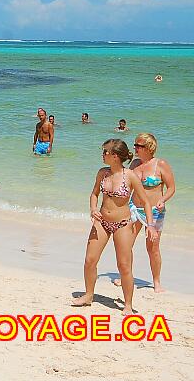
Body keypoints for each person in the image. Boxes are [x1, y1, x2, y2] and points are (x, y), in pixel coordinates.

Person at [72, 139, 158, 315]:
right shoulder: (102, 173)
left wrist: (150, 225)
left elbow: (147, 202)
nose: (102, 154)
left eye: (105, 152)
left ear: (115, 156)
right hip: (102, 221)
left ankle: (127, 304)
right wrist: (93, 209)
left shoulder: (130, 176)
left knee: (124, 265)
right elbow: (94, 194)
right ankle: (88, 295)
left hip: (123, 224)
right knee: (90, 260)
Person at [113, 134, 176, 292]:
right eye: (135, 145)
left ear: (149, 148)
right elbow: (126, 184)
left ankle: (156, 281)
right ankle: (126, 277)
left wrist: (163, 199)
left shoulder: (160, 164)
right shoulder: (134, 163)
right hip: (134, 208)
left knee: (152, 248)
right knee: (126, 244)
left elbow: (171, 188)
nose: (135, 148)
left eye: (138, 146)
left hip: (154, 211)